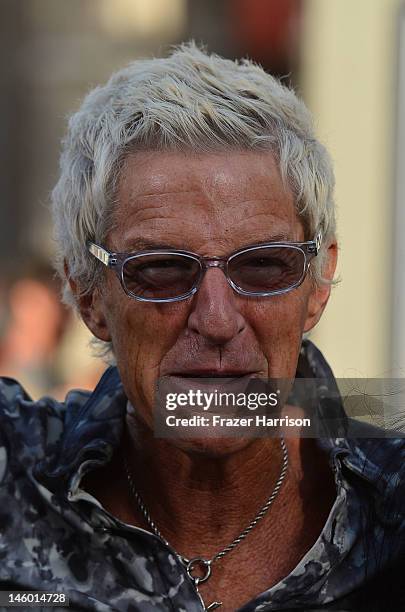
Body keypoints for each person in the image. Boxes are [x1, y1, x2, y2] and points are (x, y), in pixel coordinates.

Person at [0, 43, 404, 612]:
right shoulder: (18, 485)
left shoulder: (388, 502)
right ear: (89, 294)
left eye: (264, 266)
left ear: (316, 285)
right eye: (162, 270)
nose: (216, 319)